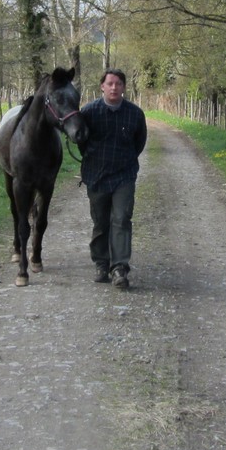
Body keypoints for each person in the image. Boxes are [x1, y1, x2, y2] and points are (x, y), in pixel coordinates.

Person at [78, 69, 147, 289]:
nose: (114, 87)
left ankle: (119, 268)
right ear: (102, 86)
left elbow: (139, 142)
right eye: (110, 83)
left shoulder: (135, 114)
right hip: (96, 177)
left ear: (124, 87)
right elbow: (81, 142)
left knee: (122, 219)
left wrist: (125, 161)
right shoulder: (89, 112)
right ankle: (101, 263)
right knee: (100, 222)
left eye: (118, 83)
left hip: (124, 176)